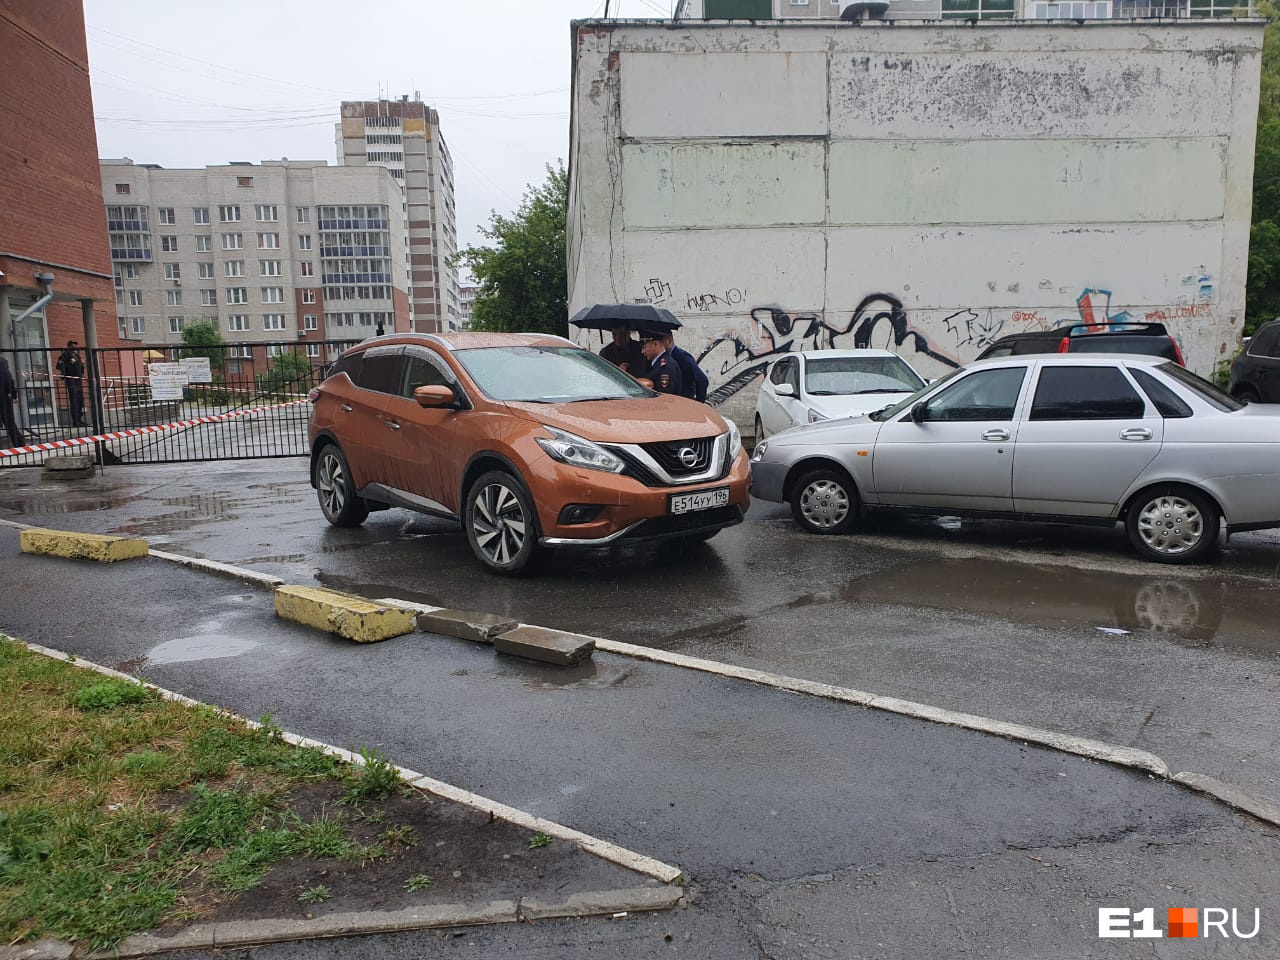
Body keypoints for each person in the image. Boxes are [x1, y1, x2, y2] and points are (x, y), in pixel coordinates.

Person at [663, 331, 709, 403]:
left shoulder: (681, 356)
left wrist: (699, 403)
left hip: (684, 402)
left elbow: (702, 379)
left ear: (668, 341)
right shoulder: (669, 357)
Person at [637, 329, 683, 396]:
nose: (642, 352)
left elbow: (665, 395)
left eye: (645, 347)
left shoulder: (666, 367)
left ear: (655, 344)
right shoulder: (656, 364)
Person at [56, 339, 85, 427]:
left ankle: (79, 419)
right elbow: (59, 366)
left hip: (78, 380)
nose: (75, 349)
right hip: (71, 381)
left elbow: (80, 367)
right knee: (74, 401)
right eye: (73, 347)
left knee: (80, 401)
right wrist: (69, 365)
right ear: (69, 347)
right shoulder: (64, 356)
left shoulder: (77, 356)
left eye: (76, 347)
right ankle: (75, 421)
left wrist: (82, 366)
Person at [0, 355, 23, 447]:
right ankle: (19, 443)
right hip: (3, 397)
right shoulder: (2, 364)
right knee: (9, 421)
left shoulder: (2, 364)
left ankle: (19, 443)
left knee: (9, 421)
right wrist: (13, 394)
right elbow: (9, 380)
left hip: (3, 397)